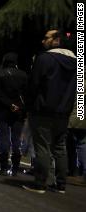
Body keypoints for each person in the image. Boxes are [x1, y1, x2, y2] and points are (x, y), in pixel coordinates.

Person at [23, 30, 76, 194]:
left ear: (56, 40)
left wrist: (29, 105)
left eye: (46, 38)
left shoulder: (45, 58)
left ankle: (40, 183)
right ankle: (61, 184)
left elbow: (33, 84)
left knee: (42, 147)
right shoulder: (76, 62)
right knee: (60, 147)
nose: (43, 41)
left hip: (43, 110)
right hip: (64, 111)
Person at [0, 53, 28, 176]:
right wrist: (20, 107)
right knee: (16, 139)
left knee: (4, 137)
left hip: (2, 110)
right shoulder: (23, 75)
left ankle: (3, 167)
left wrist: (9, 104)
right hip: (19, 111)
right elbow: (26, 94)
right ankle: (14, 169)